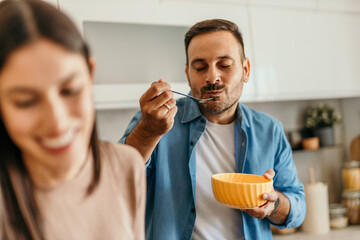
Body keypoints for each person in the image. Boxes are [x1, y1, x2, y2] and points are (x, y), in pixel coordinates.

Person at [120, 19, 306, 240]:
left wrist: (273, 204)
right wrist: (147, 134)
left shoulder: (269, 130)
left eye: (224, 65)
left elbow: (298, 207)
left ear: (245, 70)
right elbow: (114, 185)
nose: (212, 77)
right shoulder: (153, 121)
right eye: (200, 67)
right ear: (188, 74)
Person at [0, 0, 145, 239]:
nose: (57, 123)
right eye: (26, 101)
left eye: (70, 90)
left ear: (90, 73)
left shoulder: (127, 166)